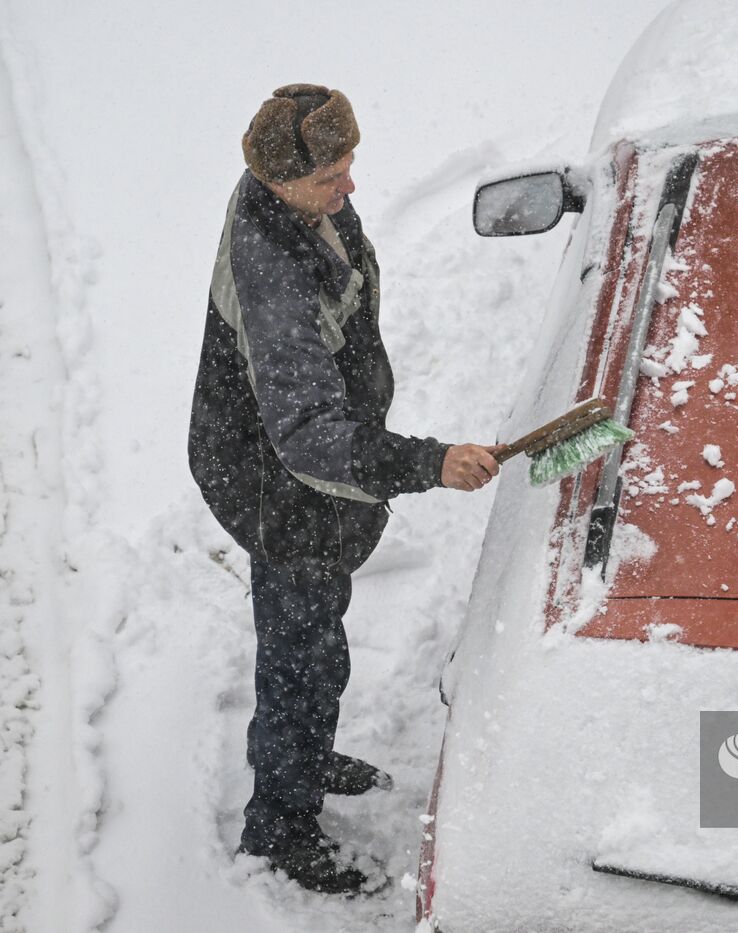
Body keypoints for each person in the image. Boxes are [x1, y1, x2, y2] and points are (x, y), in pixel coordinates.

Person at [188, 83, 501, 894]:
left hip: (306, 474)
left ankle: (307, 756)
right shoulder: (273, 280)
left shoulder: (295, 195)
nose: (350, 187)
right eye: (332, 176)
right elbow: (309, 436)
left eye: (349, 165)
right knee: (299, 655)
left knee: (317, 639)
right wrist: (429, 463)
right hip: (276, 484)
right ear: (282, 182)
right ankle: (279, 826)